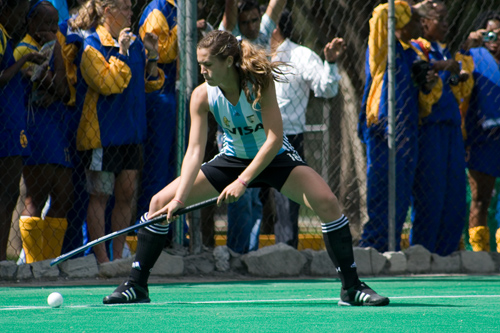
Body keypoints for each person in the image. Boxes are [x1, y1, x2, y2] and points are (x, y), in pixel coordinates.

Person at [103, 30, 390, 307]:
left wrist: (243, 181)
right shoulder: (202, 96)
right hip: (233, 158)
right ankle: (137, 285)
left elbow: (274, 138)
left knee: (327, 202)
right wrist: (179, 199)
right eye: (200, 64)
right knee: (158, 202)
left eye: (207, 65)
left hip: (273, 156)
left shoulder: (258, 83)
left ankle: (351, 287)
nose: (202, 71)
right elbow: (194, 151)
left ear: (228, 62)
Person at [72, 0, 164, 263]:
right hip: (103, 134)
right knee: (100, 195)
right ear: (107, 11)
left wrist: (153, 56)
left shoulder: (134, 44)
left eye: (130, 7)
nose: (130, 13)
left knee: (127, 194)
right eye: (124, 8)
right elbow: (107, 83)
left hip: (132, 132)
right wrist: (121, 53)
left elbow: (148, 85)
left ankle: (119, 255)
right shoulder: (92, 45)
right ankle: (102, 260)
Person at [358, 0, 440, 252]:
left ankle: (390, 246)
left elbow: (427, 98)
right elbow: (382, 13)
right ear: (399, 24)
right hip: (383, 130)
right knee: (381, 190)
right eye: (413, 20)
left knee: (401, 196)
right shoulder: (384, 47)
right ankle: (372, 247)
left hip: (407, 132)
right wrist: (413, 8)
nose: (419, 24)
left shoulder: (410, 53)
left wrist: (428, 82)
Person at [270, 9, 344, 248]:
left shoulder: (301, 56)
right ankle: (238, 254)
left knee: (286, 201)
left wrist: (330, 63)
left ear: (275, 27)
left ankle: (286, 255)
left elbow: (327, 89)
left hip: (286, 137)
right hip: (251, 135)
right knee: (246, 202)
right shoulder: (250, 52)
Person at [219, 0, 287, 253]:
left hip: (259, 131)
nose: (249, 26)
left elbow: (277, 6)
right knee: (242, 198)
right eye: (244, 21)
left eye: (254, 20)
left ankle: (251, 253)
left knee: (256, 199)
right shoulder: (230, 40)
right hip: (234, 132)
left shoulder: (263, 33)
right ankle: (237, 253)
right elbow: (229, 15)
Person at [409, 1, 472, 255]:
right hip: (430, 128)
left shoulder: (446, 51)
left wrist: (456, 73)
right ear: (424, 22)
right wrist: (441, 66)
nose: (446, 25)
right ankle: (424, 251)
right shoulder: (417, 48)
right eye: (441, 20)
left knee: (455, 191)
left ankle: (447, 251)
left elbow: (454, 82)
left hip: (452, 127)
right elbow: (420, 73)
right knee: (430, 191)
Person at [15, 0, 72, 263]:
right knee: (35, 195)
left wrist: (56, 49)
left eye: (54, 24)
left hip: (54, 126)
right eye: (46, 24)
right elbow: (56, 88)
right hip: (34, 126)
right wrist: (57, 51)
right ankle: (33, 262)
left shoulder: (48, 48)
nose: (52, 30)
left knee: (63, 192)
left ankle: (50, 259)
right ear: (31, 23)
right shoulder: (24, 50)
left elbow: (63, 91)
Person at [0, 0, 46, 261]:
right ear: (5, 10)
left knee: (9, 193)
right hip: (4, 126)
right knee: (6, 192)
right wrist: (25, 59)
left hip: (12, 123)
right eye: (19, 13)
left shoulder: (6, 37)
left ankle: (4, 258)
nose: (22, 20)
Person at [136, 0, 178, 241]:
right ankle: (150, 233)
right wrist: (184, 30)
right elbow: (160, 53)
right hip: (158, 95)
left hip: (171, 94)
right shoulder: (158, 10)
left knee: (172, 169)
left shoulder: (176, 9)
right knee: (157, 169)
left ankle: (169, 232)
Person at [460, 14, 500, 252]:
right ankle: (479, 252)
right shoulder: (474, 58)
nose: (495, 39)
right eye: (490, 33)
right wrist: (468, 44)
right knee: (480, 198)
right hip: (482, 139)